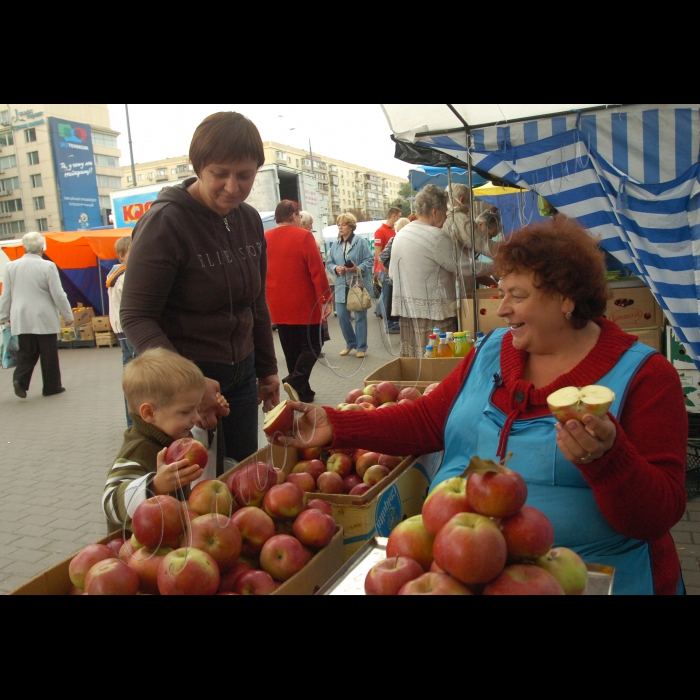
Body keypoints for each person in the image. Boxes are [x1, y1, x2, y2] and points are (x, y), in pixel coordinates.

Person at [274, 216, 688, 595]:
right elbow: (426, 420)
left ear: (566, 298)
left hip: (590, 577)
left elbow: (658, 515)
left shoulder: (646, 377)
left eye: (517, 295)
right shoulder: (491, 349)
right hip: (468, 570)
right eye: (501, 292)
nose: (502, 308)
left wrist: (609, 460)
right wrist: (336, 425)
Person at [120, 111, 279, 463]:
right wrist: (189, 383)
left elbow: (256, 303)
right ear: (198, 168)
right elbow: (136, 315)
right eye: (219, 174)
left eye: (245, 176)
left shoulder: (249, 220)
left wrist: (267, 369)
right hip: (183, 387)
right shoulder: (165, 223)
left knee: (241, 474)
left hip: (242, 375)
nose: (233, 187)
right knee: (189, 490)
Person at [102, 347, 228, 530]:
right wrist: (154, 486)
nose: (196, 417)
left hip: (170, 533)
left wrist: (210, 421)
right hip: (140, 548)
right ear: (149, 412)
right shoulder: (137, 451)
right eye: (186, 411)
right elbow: (111, 504)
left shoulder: (173, 434)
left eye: (197, 408)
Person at [389, 185, 474, 357]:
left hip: (407, 314)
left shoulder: (402, 234)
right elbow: (464, 266)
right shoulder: (436, 236)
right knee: (438, 364)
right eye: (445, 212)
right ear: (435, 212)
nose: (446, 218)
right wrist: (495, 266)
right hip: (434, 316)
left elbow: (391, 274)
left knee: (415, 365)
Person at [265, 199, 332, 403]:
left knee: (291, 349)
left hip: (277, 303)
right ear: (294, 216)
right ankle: (294, 381)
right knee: (314, 345)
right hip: (304, 304)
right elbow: (317, 271)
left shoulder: (264, 237)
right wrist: (326, 298)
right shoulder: (303, 236)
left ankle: (303, 393)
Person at [0, 231, 73, 398]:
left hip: (21, 317)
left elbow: (6, 295)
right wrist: (67, 315)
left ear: (24, 247)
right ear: (42, 247)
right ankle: (51, 387)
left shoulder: (11, 266)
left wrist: (2, 316)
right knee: (49, 354)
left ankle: (20, 380)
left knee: (26, 352)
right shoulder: (47, 266)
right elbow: (58, 293)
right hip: (44, 317)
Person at [325, 212, 374, 358]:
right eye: (338, 224)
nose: (340, 227)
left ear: (351, 227)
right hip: (341, 284)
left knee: (359, 315)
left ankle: (361, 346)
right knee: (342, 316)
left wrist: (357, 268)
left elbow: (370, 260)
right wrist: (335, 268)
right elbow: (329, 262)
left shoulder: (360, 242)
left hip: (357, 284)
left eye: (344, 224)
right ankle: (350, 343)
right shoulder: (335, 244)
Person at [442, 183, 499, 292]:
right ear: (462, 199)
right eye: (470, 201)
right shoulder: (460, 220)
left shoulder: (444, 219)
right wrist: (512, 256)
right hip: (461, 287)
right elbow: (486, 246)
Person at [107, 235, 137, 427]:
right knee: (138, 381)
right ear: (121, 256)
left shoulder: (114, 275)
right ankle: (134, 423)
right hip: (130, 330)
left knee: (131, 377)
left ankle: (132, 423)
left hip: (122, 330)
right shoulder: (126, 276)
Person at [373, 207, 402, 331]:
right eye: (399, 216)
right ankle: (389, 325)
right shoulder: (380, 231)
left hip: (392, 270)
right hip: (385, 270)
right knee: (386, 297)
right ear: (394, 216)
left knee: (388, 296)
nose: (399, 219)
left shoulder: (393, 231)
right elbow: (378, 253)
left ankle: (391, 322)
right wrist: (385, 268)